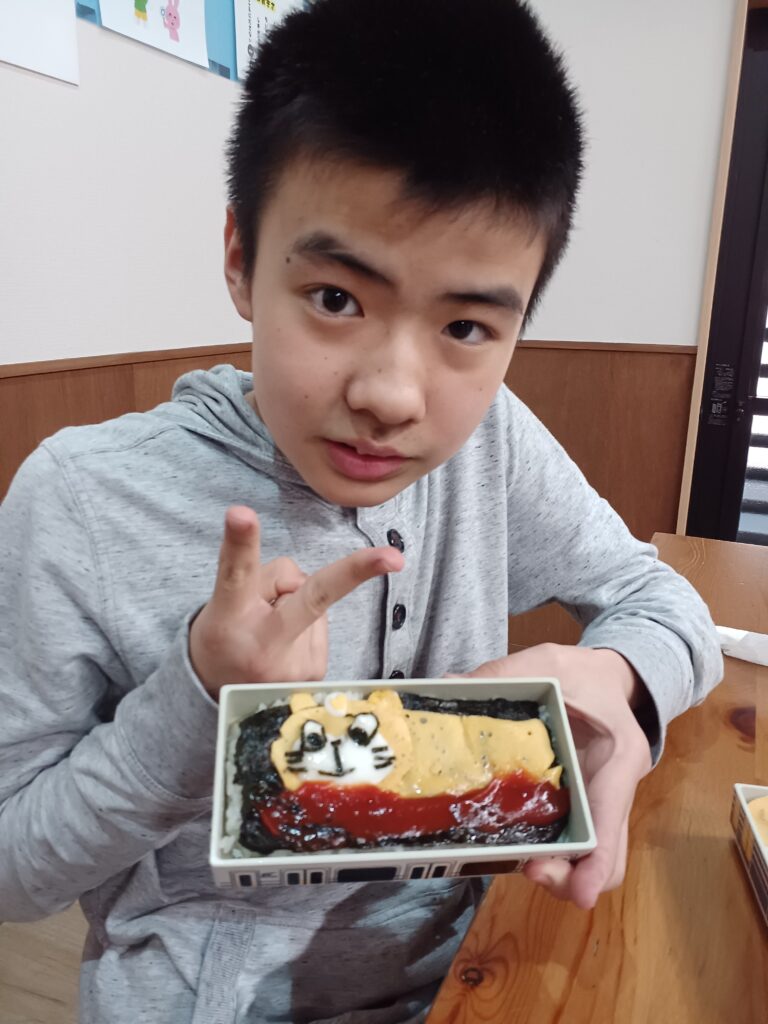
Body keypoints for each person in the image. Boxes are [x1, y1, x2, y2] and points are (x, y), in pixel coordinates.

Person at [0, 1, 722, 1021]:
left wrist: (613, 682)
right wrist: (199, 699)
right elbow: (11, 869)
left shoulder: (490, 444)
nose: (391, 394)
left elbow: (666, 602)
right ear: (242, 258)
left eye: (466, 326)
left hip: (478, 975)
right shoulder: (82, 500)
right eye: (338, 298)